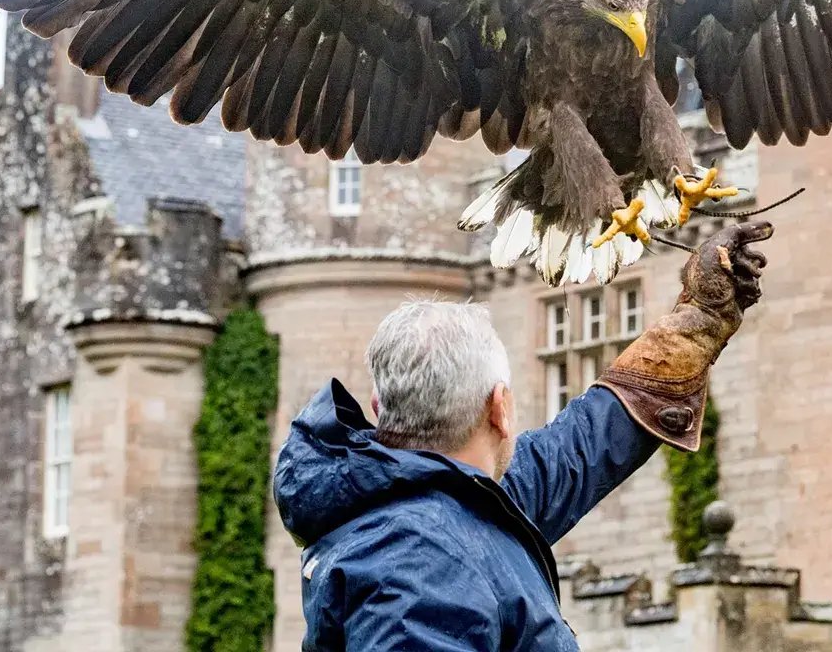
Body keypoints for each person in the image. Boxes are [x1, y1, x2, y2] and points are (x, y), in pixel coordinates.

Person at [273, 221, 773, 650]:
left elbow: (584, 444)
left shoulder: (459, 507)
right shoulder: (418, 561)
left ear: (380, 409)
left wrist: (702, 319)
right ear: (500, 409)